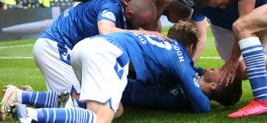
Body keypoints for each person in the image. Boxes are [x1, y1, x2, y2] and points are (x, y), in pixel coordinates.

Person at [8, 21, 242, 123]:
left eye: (217, 71)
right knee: (102, 119)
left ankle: (20, 97)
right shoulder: (181, 61)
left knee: (95, 105)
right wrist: (205, 88)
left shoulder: (173, 52)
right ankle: (30, 115)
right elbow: (202, 105)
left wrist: (203, 80)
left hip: (87, 47)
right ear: (189, 48)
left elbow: (194, 71)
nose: (212, 67)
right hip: (107, 54)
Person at [31, 0, 157, 95]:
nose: (141, 28)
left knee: (80, 101)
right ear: (129, 13)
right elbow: (105, 31)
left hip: (64, 49)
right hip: (55, 47)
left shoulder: (122, 16)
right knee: (79, 107)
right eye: (142, 24)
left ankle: (21, 96)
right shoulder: (111, 4)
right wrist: (147, 34)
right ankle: (25, 107)